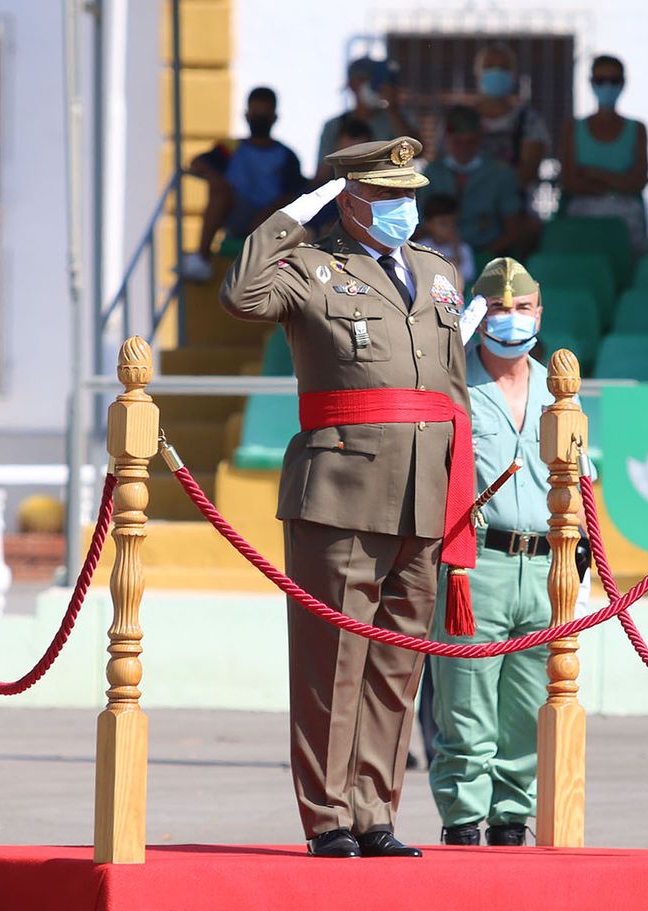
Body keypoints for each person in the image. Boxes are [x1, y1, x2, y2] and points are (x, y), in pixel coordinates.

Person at [219, 138, 475, 860]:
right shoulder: (309, 268)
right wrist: (296, 213)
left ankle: (375, 810)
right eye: (388, 196)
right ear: (349, 199)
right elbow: (241, 294)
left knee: (397, 666)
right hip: (340, 492)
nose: (405, 208)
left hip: (426, 494)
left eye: (410, 194)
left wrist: (462, 493)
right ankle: (328, 814)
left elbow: (450, 392)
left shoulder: (438, 273)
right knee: (333, 660)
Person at [427, 257, 579, 847]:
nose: (511, 320)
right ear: (477, 315)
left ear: (539, 312)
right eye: (497, 308)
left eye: (522, 308)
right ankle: (463, 823)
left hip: (544, 568)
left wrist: (583, 553)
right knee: (465, 711)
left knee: (526, 713)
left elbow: (580, 477)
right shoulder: (454, 385)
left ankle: (513, 821)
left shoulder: (558, 388)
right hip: (476, 564)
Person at [180, 87, 305, 282]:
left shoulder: (286, 156)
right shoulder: (231, 147)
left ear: (274, 117)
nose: (259, 118)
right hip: (235, 214)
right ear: (246, 115)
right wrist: (215, 177)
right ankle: (201, 258)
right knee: (220, 190)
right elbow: (198, 162)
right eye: (256, 112)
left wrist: (266, 216)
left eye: (264, 113)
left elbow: (292, 193)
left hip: (269, 220)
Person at [558, 54, 648, 253]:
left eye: (613, 80)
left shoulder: (638, 129)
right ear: (591, 83)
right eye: (600, 80)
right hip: (581, 215)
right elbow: (570, 181)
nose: (607, 86)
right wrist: (617, 182)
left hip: (627, 217)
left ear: (623, 83)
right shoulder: (573, 128)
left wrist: (595, 174)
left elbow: (638, 181)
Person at [420, 106, 532, 259]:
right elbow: (420, 224)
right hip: (438, 255)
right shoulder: (432, 172)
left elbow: (513, 230)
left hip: (487, 255)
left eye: (470, 142)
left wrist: (481, 258)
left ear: (480, 138)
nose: (464, 149)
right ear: (447, 139)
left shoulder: (501, 174)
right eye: (457, 142)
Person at [313, 58, 420, 182]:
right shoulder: (334, 126)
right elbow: (319, 178)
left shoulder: (396, 118)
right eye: (368, 80)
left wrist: (393, 109)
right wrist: (341, 152)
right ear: (353, 85)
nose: (379, 88)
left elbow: (417, 153)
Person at [473, 43, 551, 191]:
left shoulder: (530, 121)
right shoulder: (461, 118)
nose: (496, 72)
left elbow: (528, 172)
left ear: (513, 75)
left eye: (503, 67)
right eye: (489, 67)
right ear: (478, 74)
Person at [307, 116, 373, 233]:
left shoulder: (381, 192)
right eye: (346, 154)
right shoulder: (316, 193)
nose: (351, 163)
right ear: (335, 150)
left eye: (359, 156)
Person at [419, 194, 476, 286]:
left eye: (453, 222)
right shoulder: (420, 247)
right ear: (428, 224)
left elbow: (468, 276)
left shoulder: (463, 248)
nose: (450, 227)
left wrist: (456, 251)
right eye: (443, 223)